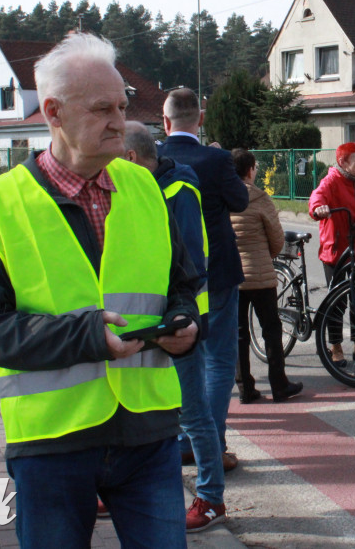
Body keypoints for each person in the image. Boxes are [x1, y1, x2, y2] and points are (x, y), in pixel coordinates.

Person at [0, 33, 201, 548]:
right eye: (101, 109)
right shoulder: (0, 205)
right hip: (52, 442)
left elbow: (181, 284)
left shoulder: (143, 187)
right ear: (53, 112)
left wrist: (186, 323)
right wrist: (85, 336)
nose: (120, 121)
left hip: (148, 432)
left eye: (122, 105)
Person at [122, 121, 228, 531]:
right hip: (145, 321)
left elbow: (190, 264)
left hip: (176, 323)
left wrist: (177, 317)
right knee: (156, 409)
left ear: (132, 159)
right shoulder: (142, 187)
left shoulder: (177, 189)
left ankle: (211, 497)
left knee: (192, 413)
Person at [158, 87, 249, 481]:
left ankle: (181, 441)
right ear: (200, 120)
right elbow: (241, 202)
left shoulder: (151, 159)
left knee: (179, 358)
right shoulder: (216, 158)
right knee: (219, 361)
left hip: (169, 274)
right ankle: (212, 443)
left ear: (165, 123)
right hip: (219, 273)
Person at [230, 148, 303, 403]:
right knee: (271, 330)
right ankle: (279, 386)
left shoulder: (221, 197)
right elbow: (277, 239)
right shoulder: (260, 199)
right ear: (250, 170)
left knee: (239, 332)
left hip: (233, 277)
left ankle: (245, 388)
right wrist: (265, 255)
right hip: (261, 275)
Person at [308, 142, 355, 365]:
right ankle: (336, 347)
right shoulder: (331, 180)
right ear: (343, 162)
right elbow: (316, 197)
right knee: (337, 301)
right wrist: (319, 208)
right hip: (337, 249)